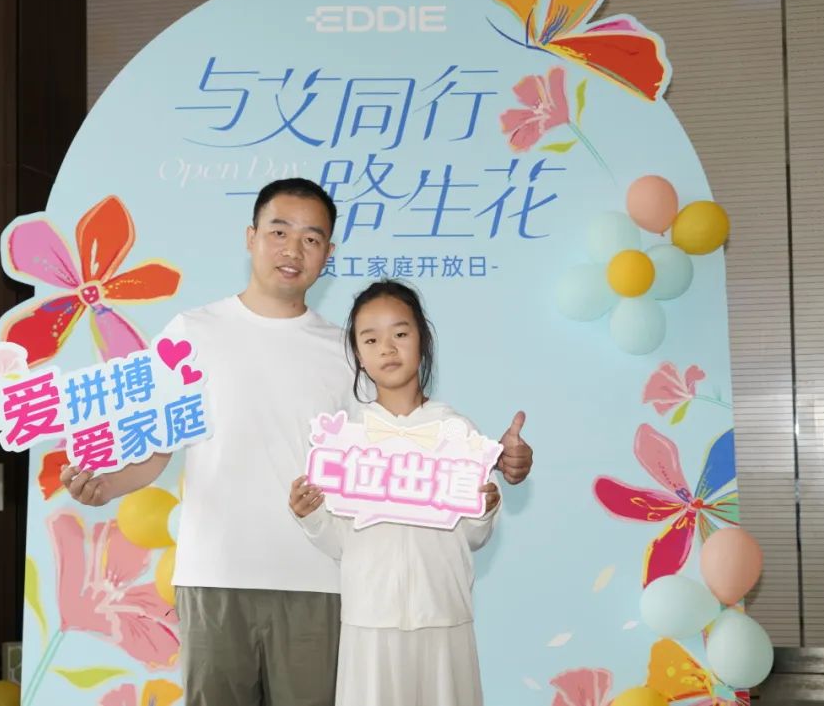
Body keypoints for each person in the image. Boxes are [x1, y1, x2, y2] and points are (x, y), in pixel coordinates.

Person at [60, 178, 533, 706]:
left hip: (320, 579)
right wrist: (106, 485)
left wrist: (491, 461)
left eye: (312, 238)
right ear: (251, 237)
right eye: (279, 231)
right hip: (216, 573)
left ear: (329, 253)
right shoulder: (190, 332)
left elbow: (402, 442)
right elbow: (156, 450)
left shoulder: (347, 351)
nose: (293, 249)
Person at [289, 279, 499, 706]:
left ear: (423, 340)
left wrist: (484, 509)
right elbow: (339, 542)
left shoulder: (457, 431)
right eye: (371, 339)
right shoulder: (344, 439)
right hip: (370, 618)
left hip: (443, 614)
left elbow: (474, 537)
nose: (387, 348)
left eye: (400, 333)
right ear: (359, 356)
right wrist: (311, 516)